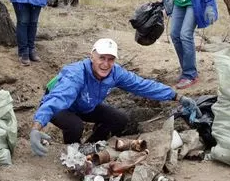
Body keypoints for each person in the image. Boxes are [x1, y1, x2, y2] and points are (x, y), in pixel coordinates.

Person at [29, 38, 199, 157]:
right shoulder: (76, 74)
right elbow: (58, 98)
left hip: (85, 105)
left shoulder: (115, 73)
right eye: (101, 58)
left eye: (110, 59)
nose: (105, 63)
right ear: (92, 56)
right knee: (75, 125)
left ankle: (90, 146)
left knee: (119, 119)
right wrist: (37, 127)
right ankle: (70, 153)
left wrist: (177, 96)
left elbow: (143, 85)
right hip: (62, 108)